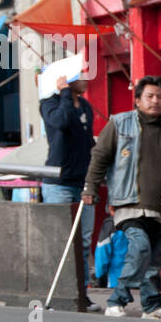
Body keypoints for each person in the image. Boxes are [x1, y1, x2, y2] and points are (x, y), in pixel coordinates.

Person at [82, 76, 161, 319]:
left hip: (159, 208)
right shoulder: (119, 124)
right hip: (128, 204)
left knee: (154, 260)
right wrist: (90, 188)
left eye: (159, 96)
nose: (155, 101)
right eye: (149, 96)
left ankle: (151, 305)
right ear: (137, 100)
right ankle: (118, 298)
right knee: (140, 247)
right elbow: (100, 157)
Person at [40, 69, 96, 287]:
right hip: (59, 184)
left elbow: (86, 140)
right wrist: (64, 92)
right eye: (80, 74)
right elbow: (61, 122)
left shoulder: (85, 107)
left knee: (83, 241)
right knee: (62, 240)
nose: (86, 79)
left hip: (83, 183)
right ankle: (59, 290)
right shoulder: (49, 104)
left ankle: (81, 292)